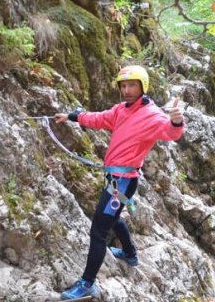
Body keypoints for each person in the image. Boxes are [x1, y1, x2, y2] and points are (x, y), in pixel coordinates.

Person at [54, 65, 184, 300]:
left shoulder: (152, 115)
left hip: (124, 181)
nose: (126, 90)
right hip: (115, 180)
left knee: (98, 230)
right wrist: (72, 116)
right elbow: (98, 118)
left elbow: (169, 132)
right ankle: (130, 253)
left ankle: (87, 283)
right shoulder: (121, 110)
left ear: (142, 87)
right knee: (112, 217)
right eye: (123, 86)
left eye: (131, 85)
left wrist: (176, 122)